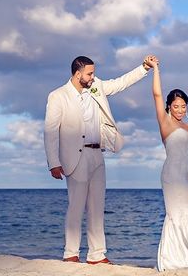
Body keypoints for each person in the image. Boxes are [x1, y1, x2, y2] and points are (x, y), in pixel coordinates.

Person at [44, 55, 155, 264]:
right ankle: (71, 254)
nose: (93, 76)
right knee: (76, 206)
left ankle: (97, 255)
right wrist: (54, 162)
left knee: (97, 206)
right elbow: (50, 131)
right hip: (74, 157)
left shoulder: (97, 86)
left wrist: (144, 68)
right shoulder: (58, 96)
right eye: (89, 73)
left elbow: (120, 83)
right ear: (78, 74)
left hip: (97, 154)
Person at [150, 57, 188, 272]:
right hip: (172, 177)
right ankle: (171, 261)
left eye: (183, 106)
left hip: (187, 178)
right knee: (176, 215)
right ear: (169, 106)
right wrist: (156, 68)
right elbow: (156, 94)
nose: (180, 110)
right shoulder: (165, 123)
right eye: (176, 106)